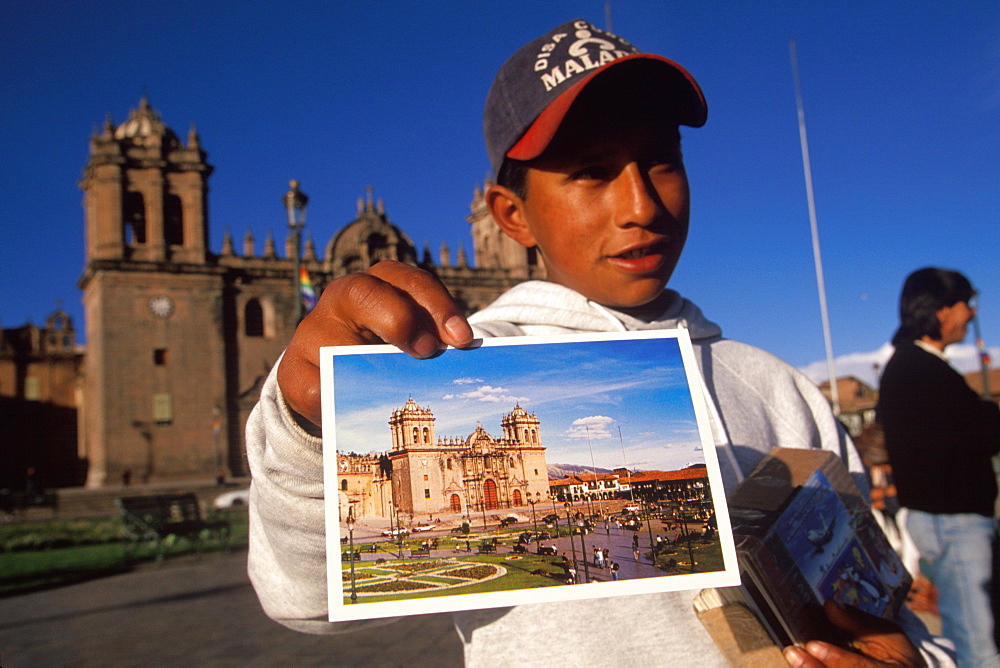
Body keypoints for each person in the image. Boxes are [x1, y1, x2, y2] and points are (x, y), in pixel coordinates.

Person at [247, 19, 950, 666]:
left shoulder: (777, 386)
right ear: (511, 215)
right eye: (590, 170)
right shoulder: (449, 360)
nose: (641, 205)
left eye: (661, 160)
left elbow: (883, 613)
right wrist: (307, 428)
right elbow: (303, 597)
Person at [877, 267, 1000, 667]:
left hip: (951, 523)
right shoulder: (920, 369)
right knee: (980, 646)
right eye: (967, 304)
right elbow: (980, 433)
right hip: (955, 525)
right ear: (942, 311)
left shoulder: (912, 367)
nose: (971, 314)